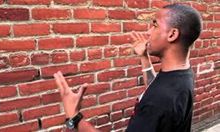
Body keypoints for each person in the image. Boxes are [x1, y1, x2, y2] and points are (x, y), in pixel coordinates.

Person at [54, 3, 202, 132]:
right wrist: (144, 57)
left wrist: (74, 117)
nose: (149, 31)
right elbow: (155, 86)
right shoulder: (183, 74)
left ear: (172, 34)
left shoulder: (158, 102)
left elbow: (158, 96)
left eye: (155, 25)